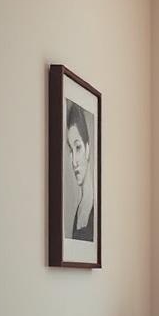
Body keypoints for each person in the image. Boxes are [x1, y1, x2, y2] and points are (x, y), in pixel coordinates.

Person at [67, 102, 94, 241]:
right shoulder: (78, 211)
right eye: (71, 150)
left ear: (87, 149)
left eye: (78, 148)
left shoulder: (95, 210)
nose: (74, 161)